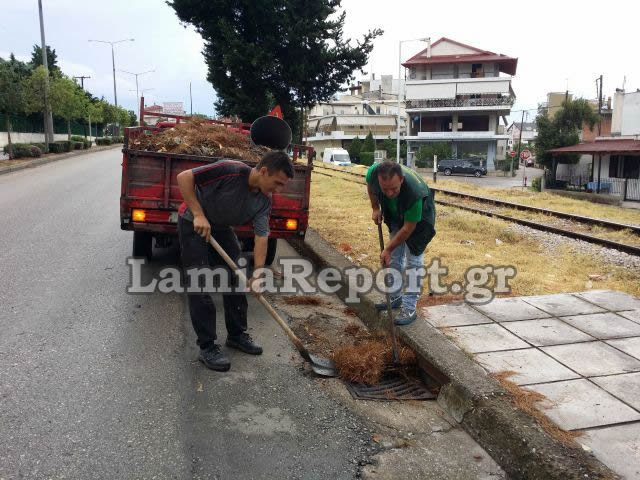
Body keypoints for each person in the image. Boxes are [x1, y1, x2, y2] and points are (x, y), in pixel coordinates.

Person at [176, 151, 294, 371]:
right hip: (193, 222)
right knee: (200, 281)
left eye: (282, 186)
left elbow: (261, 236)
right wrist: (199, 214)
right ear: (264, 171)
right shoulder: (230, 170)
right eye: (277, 183)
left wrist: (258, 274)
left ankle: (237, 334)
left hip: (220, 227)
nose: (278, 190)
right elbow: (184, 177)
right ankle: (207, 345)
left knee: (237, 276)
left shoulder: (264, 201)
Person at [366, 160, 436, 325]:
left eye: (394, 189)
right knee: (395, 256)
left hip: (419, 222)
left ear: (402, 180)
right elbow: (370, 185)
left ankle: (409, 307)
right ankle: (395, 296)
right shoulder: (373, 173)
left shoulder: (414, 194)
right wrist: (375, 208)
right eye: (385, 189)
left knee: (414, 261)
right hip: (395, 213)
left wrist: (387, 249)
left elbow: (407, 229)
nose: (390, 193)